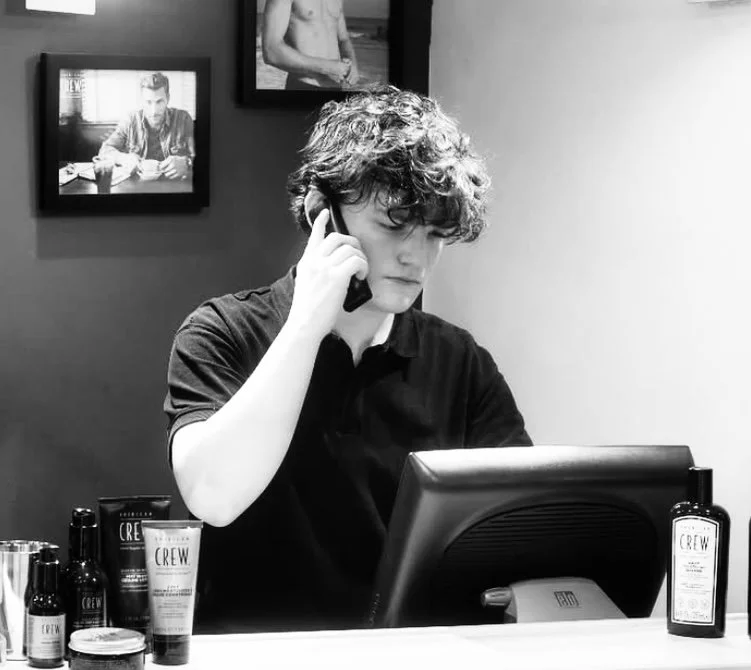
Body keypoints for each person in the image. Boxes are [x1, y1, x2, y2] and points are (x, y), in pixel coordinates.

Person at [163, 85, 531, 633]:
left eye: (434, 234)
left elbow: (520, 525)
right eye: (393, 224)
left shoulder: (461, 361)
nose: (416, 256)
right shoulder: (222, 332)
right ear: (323, 214)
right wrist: (306, 327)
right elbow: (213, 497)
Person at [99, 72, 195, 180]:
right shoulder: (130, 120)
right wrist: (124, 158)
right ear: (141, 101)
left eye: (159, 102)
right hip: (137, 186)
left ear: (168, 98)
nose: (154, 111)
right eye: (148, 102)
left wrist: (187, 163)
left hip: (174, 185)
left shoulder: (183, 119)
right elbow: (105, 150)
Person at [261, 0, 361, 90]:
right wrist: (327, 67)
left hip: (336, 86)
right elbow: (271, 50)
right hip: (304, 86)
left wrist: (352, 63)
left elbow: (343, 38)